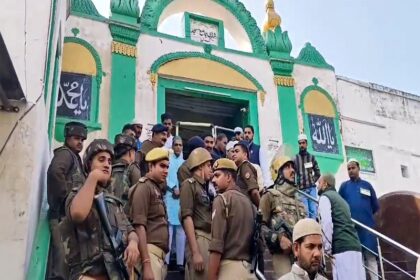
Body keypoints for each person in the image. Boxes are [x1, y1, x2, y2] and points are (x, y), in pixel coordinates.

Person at [61, 139, 139, 279]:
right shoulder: (77, 194)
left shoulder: (113, 201)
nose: (107, 165)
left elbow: (130, 229)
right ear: (89, 163)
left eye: (109, 161)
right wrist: (93, 177)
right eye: (101, 160)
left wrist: (133, 243)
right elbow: (78, 214)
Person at [46, 121, 87, 280]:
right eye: (76, 138)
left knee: (69, 265)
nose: (80, 142)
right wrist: (65, 201)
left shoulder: (75, 157)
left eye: (82, 140)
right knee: (60, 268)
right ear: (67, 137)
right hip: (61, 217)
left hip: (67, 219)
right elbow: (56, 172)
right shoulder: (65, 154)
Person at [208, 158, 256, 280]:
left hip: (229, 270)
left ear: (229, 177)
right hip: (249, 270)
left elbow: (217, 245)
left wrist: (211, 276)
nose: (213, 180)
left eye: (217, 176)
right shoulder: (249, 204)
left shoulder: (222, 200)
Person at [260, 155, 307, 279]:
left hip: (301, 256)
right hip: (282, 255)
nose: (292, 170)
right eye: (287, 167)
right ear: (278, 172)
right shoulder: (270, 196)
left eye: (293, 167)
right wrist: (279, 238)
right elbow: (259, 225)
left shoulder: (300, 201)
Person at [129, 147, 170, 280]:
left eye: (167, 167)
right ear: (150, 166)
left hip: (159, 257)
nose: (166, 170)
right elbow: (139, 226)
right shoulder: (144, 187)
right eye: (162, 166)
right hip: (149, 254)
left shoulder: (155, 187)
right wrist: (146, 264)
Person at [318, 173, 366, 280]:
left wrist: (327, 248)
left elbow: (326, 223)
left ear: (325, 184)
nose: (317, 185)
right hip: (356, 247)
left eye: (319, 182)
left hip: (342, 249)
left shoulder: (325, 197)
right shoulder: (342, 201)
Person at [339, 159, 380, 280]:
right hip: (352, 230)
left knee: (371, 257)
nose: (351, 171)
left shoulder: (367, 185)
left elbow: (375, 206)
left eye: (353, 168)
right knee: (358, 259)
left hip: (367, 229)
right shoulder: (344, 187)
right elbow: (339, 205)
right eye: (349, 169)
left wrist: (364, 216)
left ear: (358, 168)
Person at [180, 147, 213, 280]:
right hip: (199, 239)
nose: (211, 169)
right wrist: (196, 252)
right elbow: (187, 218)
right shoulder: (189, 185)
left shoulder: (204, 188)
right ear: (200, 166)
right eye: (209, 165)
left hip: (208, 239)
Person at [165, 136, 186, 271]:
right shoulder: (168, 161)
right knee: (168, 231)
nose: (178, 147)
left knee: (180, 231)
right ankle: (166, 261)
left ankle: (180, 263)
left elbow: (188, 180)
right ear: (172, 146)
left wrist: (181, 190)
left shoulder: (185, 163)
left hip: (181, 199)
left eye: (180, 145)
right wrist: (173, 187)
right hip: (169, 197)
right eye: (176, 144)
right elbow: (165, 176)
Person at [110, 134, 141, 210]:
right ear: (131, 153)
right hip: (125, 216)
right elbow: (139, 194)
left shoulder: (108, 167)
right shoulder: (132, 167)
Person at [294, 133, 321, 219]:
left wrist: (312, 180)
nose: (301, 145)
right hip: (301, 190)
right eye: (300, 143)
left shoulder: (311, 157)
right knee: (305, 212)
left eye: (303, 143)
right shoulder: (295, 159)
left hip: (312, 189)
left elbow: (318, 172)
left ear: (306, 144)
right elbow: (292, 174)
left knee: (313, 211)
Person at [232, 141, 260, 207]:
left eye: (237, 151)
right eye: (233, 152)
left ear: (245, 154)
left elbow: (254, 192)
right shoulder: (239, 169)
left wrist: (260, 210)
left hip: (248, 207)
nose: (233, 154)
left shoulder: (245, 166)